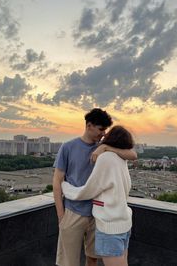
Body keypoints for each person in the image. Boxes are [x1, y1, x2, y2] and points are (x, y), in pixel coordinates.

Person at [53, 109, 137, 266]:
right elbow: (57, 181)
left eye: (105, 130)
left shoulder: (105, 147)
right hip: (73, 212)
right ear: (89, 125)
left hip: (97, 215)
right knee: (67, 261)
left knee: (93, 258)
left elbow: (133, 155)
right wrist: (61, 216)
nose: (103, 133)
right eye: (100, 129)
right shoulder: (68, 147)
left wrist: (105, 148)